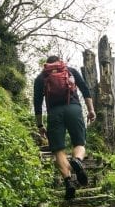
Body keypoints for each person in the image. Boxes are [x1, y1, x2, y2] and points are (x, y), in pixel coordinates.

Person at [34, 56, 96, 199]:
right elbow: (85, 90)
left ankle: (68, 182)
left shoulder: (41, 78)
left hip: (54, 113)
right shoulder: (70, 70)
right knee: (79, 143)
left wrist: (40, 125)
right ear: (59, 61)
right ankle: (78, 161)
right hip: (74, 108)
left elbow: (37, 103)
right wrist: (91, 110)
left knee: (58, 151)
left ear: (47, 64)